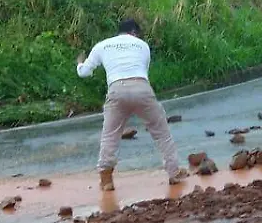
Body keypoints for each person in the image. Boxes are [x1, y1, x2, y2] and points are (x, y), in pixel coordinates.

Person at [77, 19, 188, 191]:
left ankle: (106, 180)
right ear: (135, 33)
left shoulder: (102, 45)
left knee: (110, 135)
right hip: (141, 87)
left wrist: (79, 63)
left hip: (116, 90)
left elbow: (84, 73)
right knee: (161, 132)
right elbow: (143, 71)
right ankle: (174, 173)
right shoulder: (142, 45)